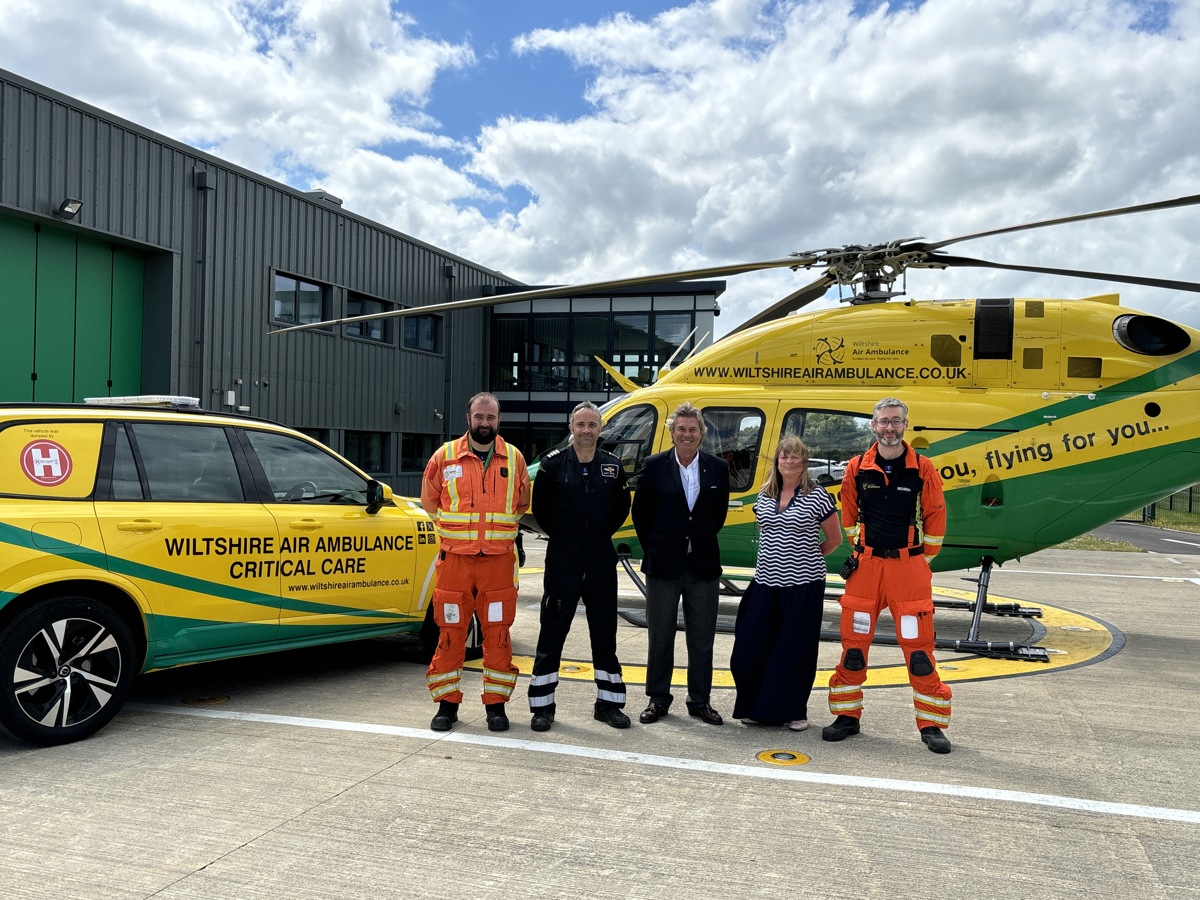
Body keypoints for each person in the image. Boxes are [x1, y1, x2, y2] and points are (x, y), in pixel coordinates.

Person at [822, 398, 953, 753]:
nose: (889, 427)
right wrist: (863, 550)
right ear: (873, 427)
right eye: (883, 421)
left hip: (908, 570)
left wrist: (919, 560)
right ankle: (847, 717)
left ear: (905, 425)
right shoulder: (856, 468)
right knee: (854, 648)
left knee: (919, 651)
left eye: (896, 421)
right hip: (866, 568)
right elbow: (847, 515)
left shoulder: (923, 469)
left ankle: (931, 726)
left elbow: (936, 518)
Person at [421, 392, 531, 733]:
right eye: (479, 417)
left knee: (497, 635)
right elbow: (430, 502)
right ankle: (447, 706)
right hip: (455, 561)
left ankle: (496, 707)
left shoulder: (515, 459)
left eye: (491, 418)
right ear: (468, 419)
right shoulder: (444, 457)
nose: (485, 423)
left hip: (497, 562)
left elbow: (522, 504)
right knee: (451, 633)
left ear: (499, 421)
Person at [527, 401, 633, 732]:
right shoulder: (552, 466)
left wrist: (597, 535)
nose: (586, 430)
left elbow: (620, 509)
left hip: (601, 559)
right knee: (552, 632)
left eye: (592, 425)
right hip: (563, 559)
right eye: (580, 424)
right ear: (570, 428)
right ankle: (543, 707)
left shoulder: (613, 467)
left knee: (605, 635)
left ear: (600, 429)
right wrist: (566, 537)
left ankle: (609, 704)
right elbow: (541, 510)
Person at [730, 435, 842, 730]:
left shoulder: (818, 496)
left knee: (794, 650)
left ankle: (794, 711)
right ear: (777, 462)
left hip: (803, 585)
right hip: (765, 582)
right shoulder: (763, 497)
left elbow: (835, 540)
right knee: (750, 646)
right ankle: (757, 707)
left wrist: (807, 559)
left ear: (804, 463)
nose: (789, 461)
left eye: (795, 457)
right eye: (784, 456)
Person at [631, 401, 731, 726]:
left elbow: (717, 516)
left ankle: (699, 701)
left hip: (702, 565)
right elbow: (641, 516)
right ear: (672, 432)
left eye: (693, 429)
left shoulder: (717, 468)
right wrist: (660, 548)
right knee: (660, 636)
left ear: (701, 433)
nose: (687, 434)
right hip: (663, 566)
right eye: (681, 429)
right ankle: (658, 699)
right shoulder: (654, 465)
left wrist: (694, 543)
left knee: (702, 639)